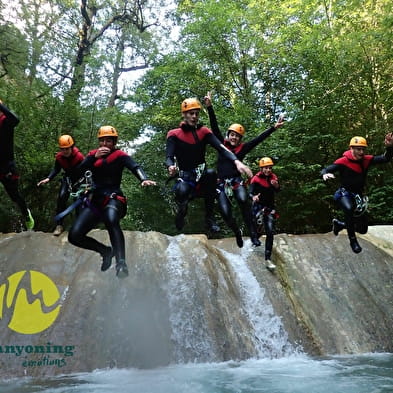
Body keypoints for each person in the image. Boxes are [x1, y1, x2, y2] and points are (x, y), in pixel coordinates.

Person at [68, 125, 156, 278]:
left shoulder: (119, 155)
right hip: (95, 201)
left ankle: (121, 263)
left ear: (114, 142)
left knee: (110, 219)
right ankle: (105, 251)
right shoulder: (92, 156)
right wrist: (92, 158)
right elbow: (76, 174)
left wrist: (144, 178)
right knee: (74, 235)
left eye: (108, 141)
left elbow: (135, 166)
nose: (104, 144)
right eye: (102, 141)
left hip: (114, 199)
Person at [204, 92, 284, 247]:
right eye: (232, 135)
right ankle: (237, 232)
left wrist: (273, 128)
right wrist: (209, 107)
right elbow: (214, 127)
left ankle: (253, 234)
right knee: (225, 212)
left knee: (243, 200)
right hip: (221, 183)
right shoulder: (221, 145)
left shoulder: (243, 149)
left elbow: (258, 139)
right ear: (228, 135)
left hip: (236, 181)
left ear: (240, 139)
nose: (234, 138)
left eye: (237, 136)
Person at [166, 97, 252, 233]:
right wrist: (170, 166)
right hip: (186, 178)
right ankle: (181, 214)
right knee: (182, 192)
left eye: (196, 113)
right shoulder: (174, 134)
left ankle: (209, 218)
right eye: (191, 113)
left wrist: (236, 161)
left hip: (201, 177)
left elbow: (222, 148)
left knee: (212, 173)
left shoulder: (204, 132)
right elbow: (169, 157)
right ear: (184, 114)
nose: (194, 116)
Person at [321, 133, 393, 253]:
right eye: (358, 149)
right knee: (348, 209)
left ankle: (340, 225)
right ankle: (353, 241)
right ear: (351, 149)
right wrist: (325, 174)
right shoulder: (343, 161)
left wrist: (390, 147)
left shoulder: (366, 160)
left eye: (363, 149)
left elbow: (385, 158)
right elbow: (326, 169)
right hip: (344, 194)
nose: (361, 152)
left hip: (358, 196)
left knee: (363, 229)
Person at [37, 135, 85, 236]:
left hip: (79, 181)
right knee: (62, 198)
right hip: (67, 180)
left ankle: (79, 227)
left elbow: (86, 170)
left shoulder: (79, 157)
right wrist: (48, 178)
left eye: (67, 149)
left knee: (78, 203)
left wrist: (86, 186)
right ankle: (59, 225)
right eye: (62, 149)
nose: (65, 151)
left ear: (72, 147)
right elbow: (56, 169)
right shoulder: (59, 157)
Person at [0, 99, 34, 230]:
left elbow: (16, 120)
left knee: (14, 195)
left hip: (7, 167)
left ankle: (26, 214)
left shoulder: (6, 122)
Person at [249, 157, 280, 271]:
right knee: (257, 228)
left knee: (270, 231)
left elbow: (278, 190)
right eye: (266, 168)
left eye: (270, 168)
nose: (268, 170)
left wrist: (276, 185)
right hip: (258, 207)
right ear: (261, 168)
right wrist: (254, 197)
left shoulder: (273, 177)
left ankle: (267, 258)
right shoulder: (255, 179)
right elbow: (250, 193)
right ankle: (254, 241)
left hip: (269, 208)